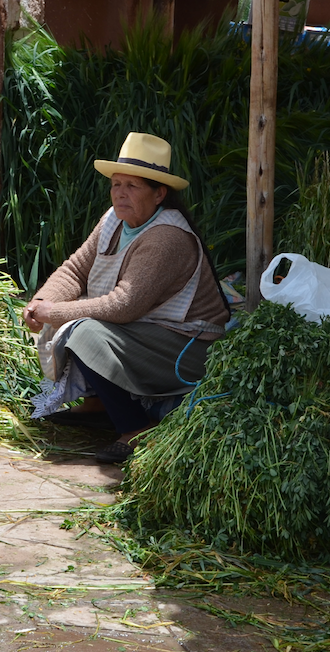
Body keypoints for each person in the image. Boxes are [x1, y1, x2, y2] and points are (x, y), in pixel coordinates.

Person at [24, 133, 229, 464]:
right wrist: (41, 302)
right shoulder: (113, 220)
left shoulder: (166, 238)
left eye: (132, 186)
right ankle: (98, 406)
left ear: (159, 193)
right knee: (74, 320)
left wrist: (56, 312)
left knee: (84, 332)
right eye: (116, 184)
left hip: (186, 348)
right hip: (149, 333)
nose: (120, 193)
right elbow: (75, 270)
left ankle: (135, 428)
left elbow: (124, 305)